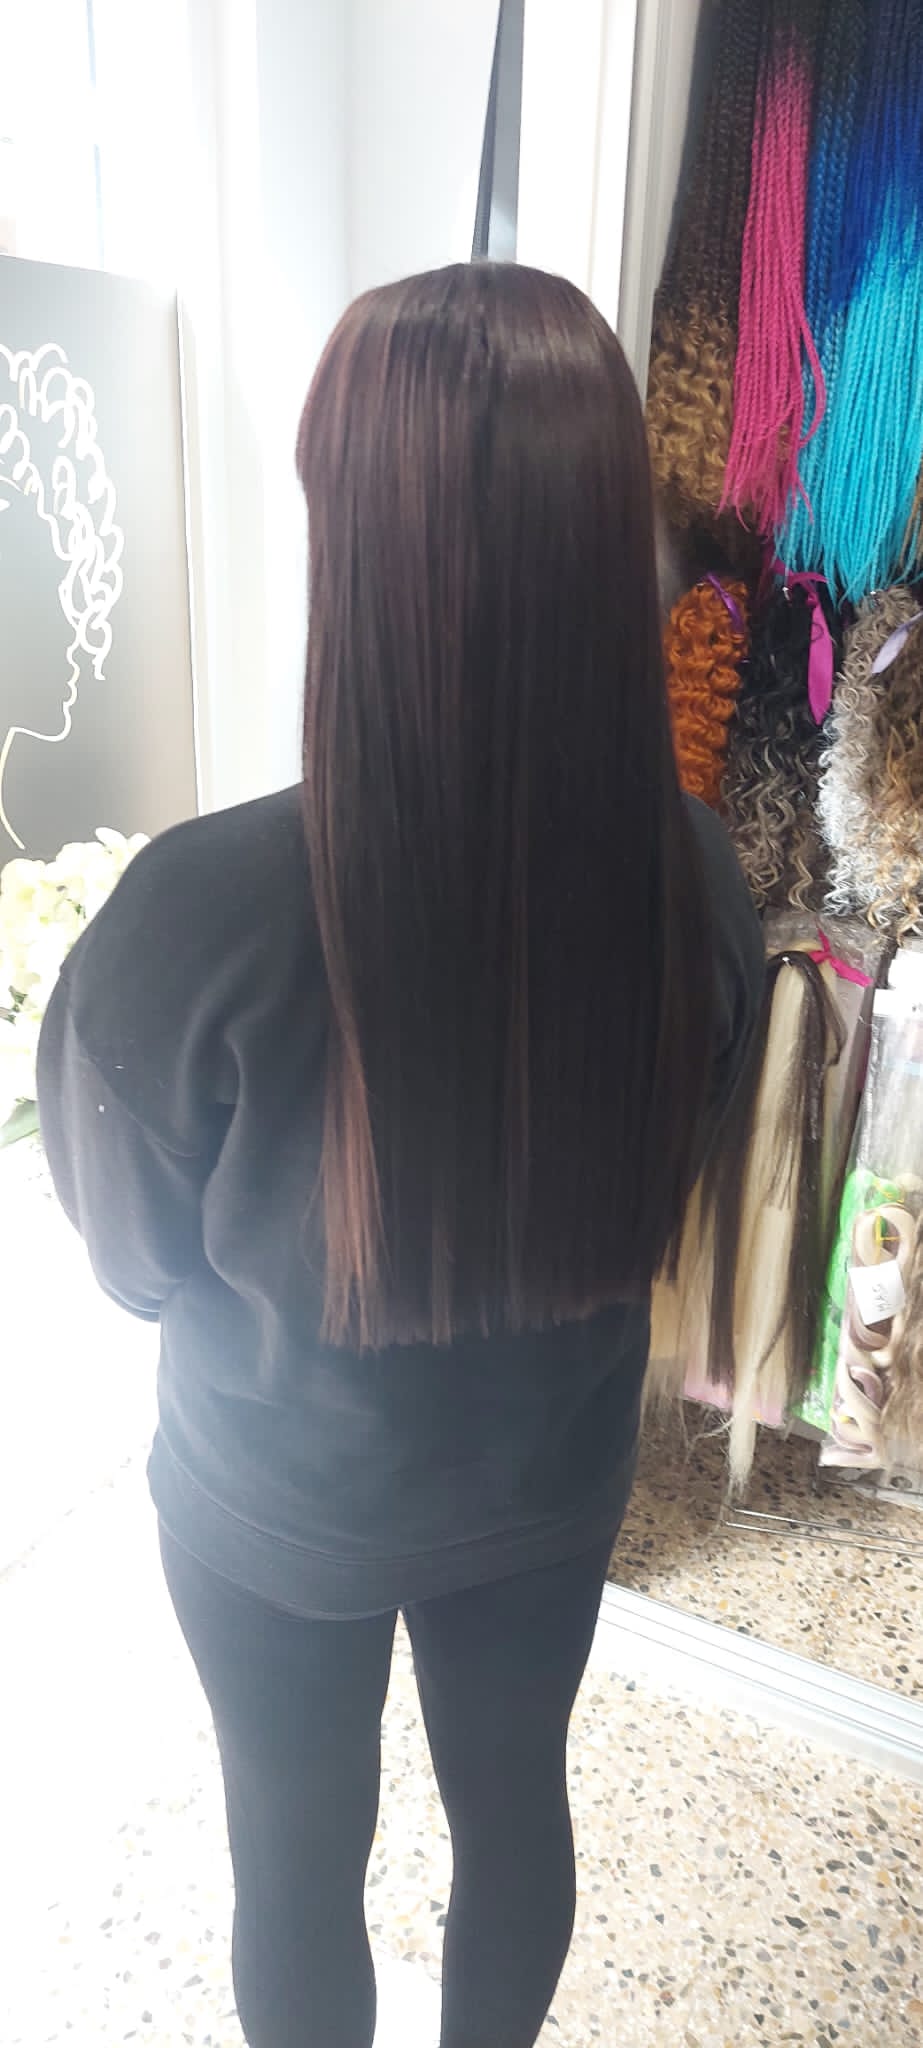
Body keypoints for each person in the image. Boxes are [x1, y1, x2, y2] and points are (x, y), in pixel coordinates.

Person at [36, 263, 763, 2048]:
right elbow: (673, 1172)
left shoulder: (196, 918)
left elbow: (132, 1264)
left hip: (277, 1500)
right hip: (545, 1482)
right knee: (517, 1814)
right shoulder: (697, 880)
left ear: (353, 536)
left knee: (293, 1861)